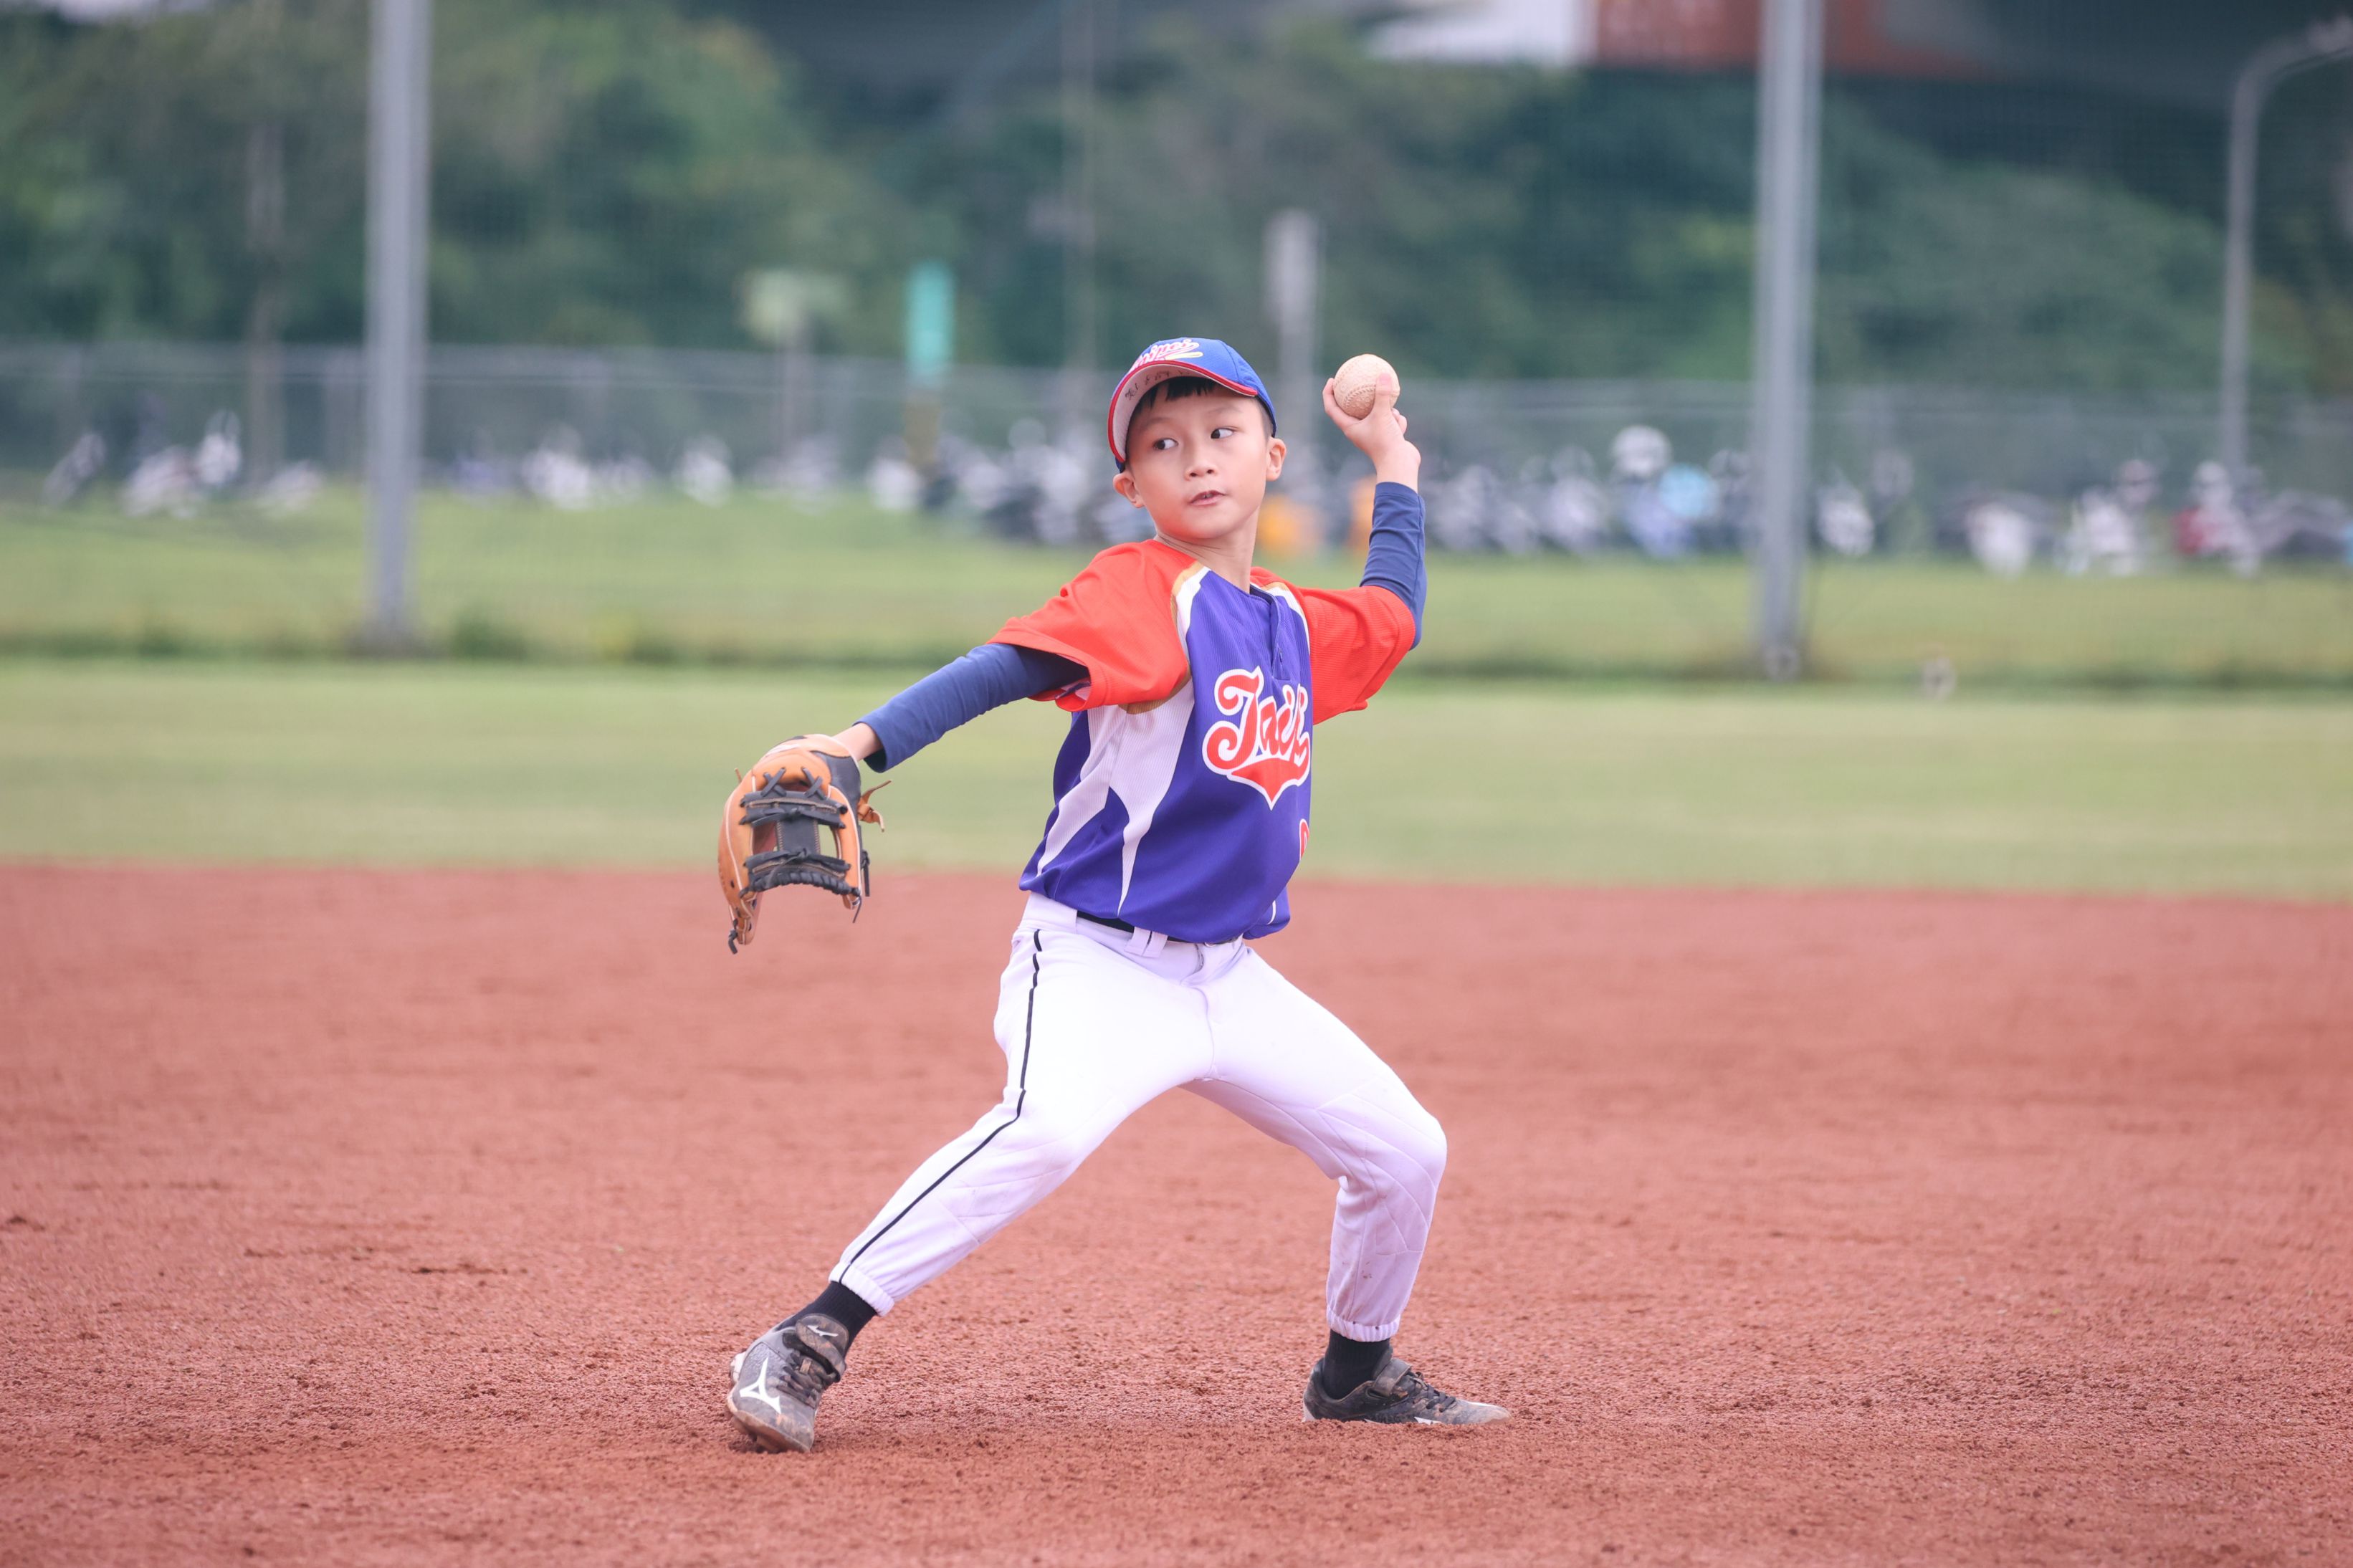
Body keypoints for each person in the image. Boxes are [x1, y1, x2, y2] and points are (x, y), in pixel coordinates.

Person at [724, 337, 1507, 1453]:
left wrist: (1396, 465)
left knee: (1406, 1153)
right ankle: (808, 1338)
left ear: (1274, 457)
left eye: (1222, 433)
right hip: (1097, 961)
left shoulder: (1291, 623)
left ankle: (1357, 1373)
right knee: (1045, 1131)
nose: (1198, 459)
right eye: (1163, 445)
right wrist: (859, 745)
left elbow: (1392, 615)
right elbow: (1008, 667)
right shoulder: (1142, 590)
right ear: (1131, 486)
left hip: (1229, 977)